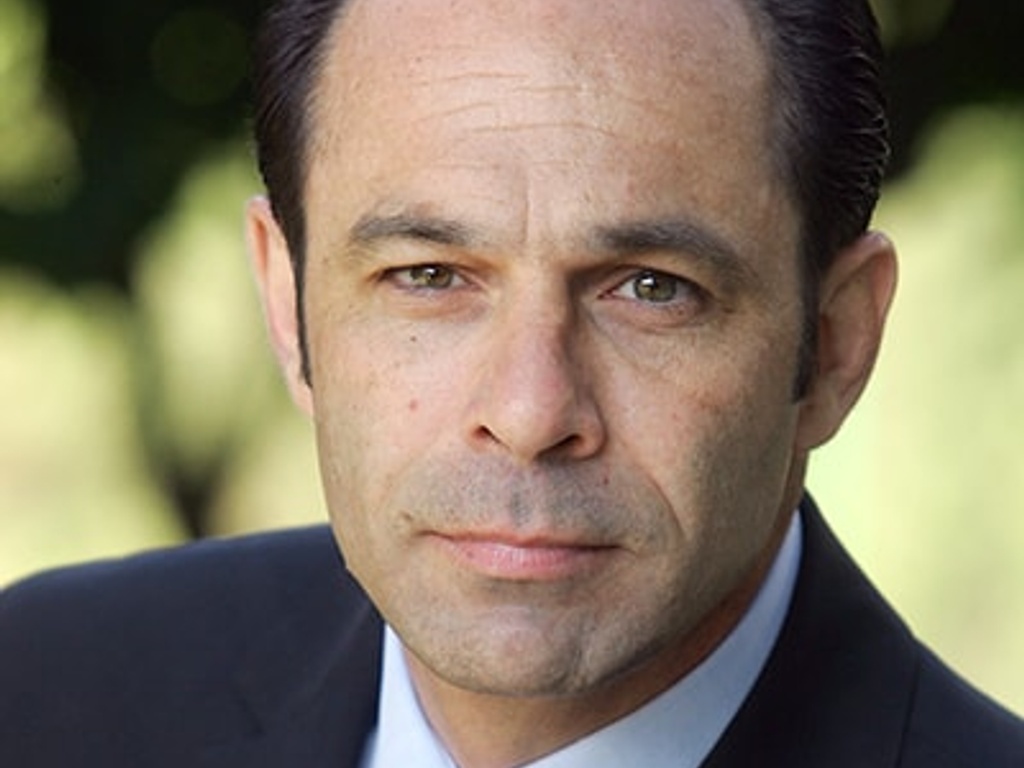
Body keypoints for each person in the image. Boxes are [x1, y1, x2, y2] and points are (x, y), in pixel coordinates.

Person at [1, 0, 1022, 764]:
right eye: (429, 276)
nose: (531, 413)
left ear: (835, 344)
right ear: (286, 299)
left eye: (651, 290)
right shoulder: (48, 690)